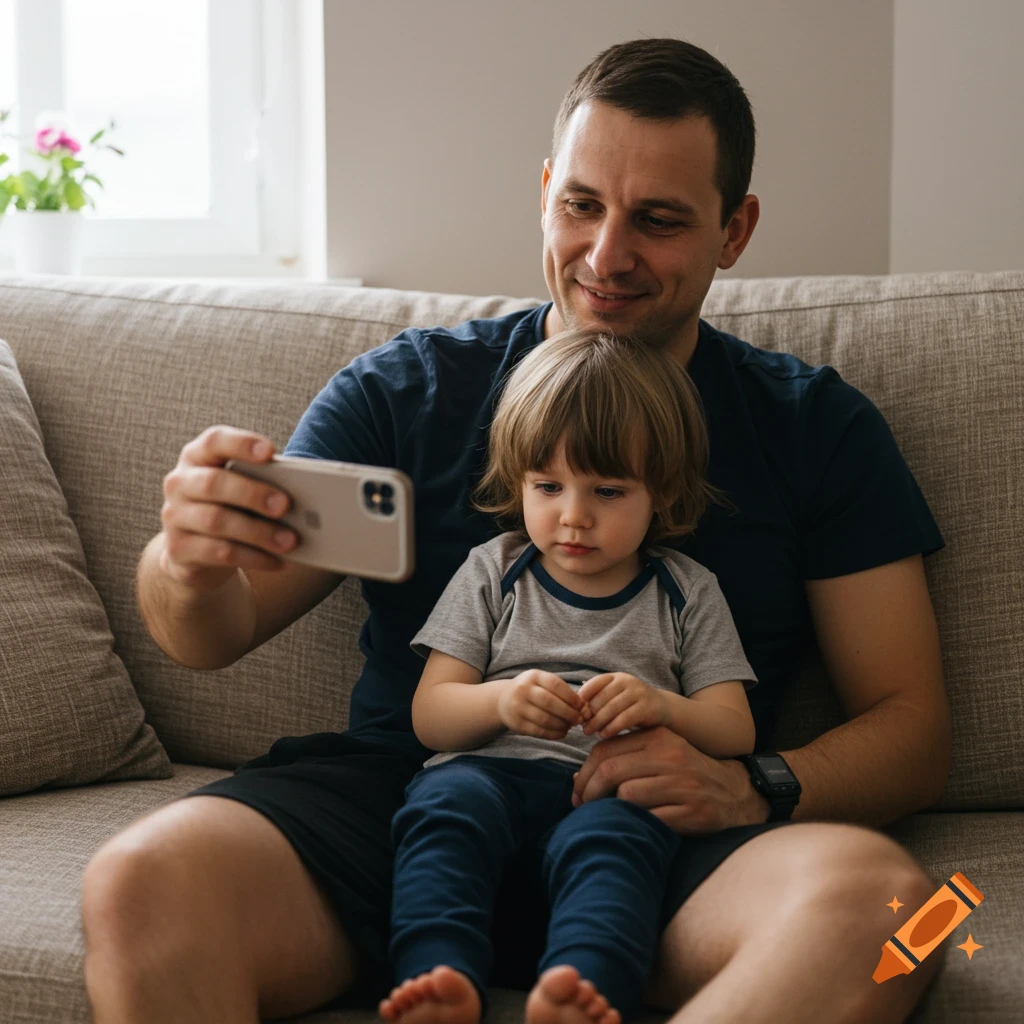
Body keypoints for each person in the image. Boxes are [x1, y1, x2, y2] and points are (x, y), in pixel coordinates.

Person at [80, 36, 951, 1024]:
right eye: (581, 204)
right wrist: (186, 563)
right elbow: (215, 632)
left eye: (657, 220)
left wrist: (749, 785)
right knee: (136, 879)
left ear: (734, 228)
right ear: (545, 191)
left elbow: (912, 730)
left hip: (666, 840)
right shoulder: (407, 393)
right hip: (414, 808)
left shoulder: (810, 427)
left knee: (899, 914)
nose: (606, 254)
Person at [381, 327, 758, 1024]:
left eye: (608, 490)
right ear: (518, 482)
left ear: (661, 494)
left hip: (610, 791)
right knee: (444, 808)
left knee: (617, 844)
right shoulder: (494, 570)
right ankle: (439, 975)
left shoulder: (685, 590)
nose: (574, 517)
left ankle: (583, 988)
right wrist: (501, 701)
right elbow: (430, 713)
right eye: (547, 486)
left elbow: (734, 728)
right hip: (487, 776)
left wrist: (661, 706)